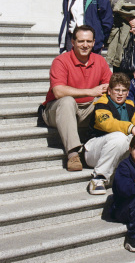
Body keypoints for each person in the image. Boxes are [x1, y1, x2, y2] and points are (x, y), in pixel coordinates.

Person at [42, 25, 112, 171]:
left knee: (105, 101)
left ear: (94, 43)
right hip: (56, 110)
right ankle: (73, 154)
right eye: (81, 41)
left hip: (85, 109)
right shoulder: (61, 61)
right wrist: (90, 91)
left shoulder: (99, 60)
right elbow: (59, 91)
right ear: (73, 42)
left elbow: (110, 85)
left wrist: (105, 89)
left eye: (88, 41)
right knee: (67, 101)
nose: (85, 45)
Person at [84, 72, 135, 194]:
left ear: (128, 92)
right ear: (109, 91)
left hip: (116, 149)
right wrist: (131, 128)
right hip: (94, 150)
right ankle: (99, 178)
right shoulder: (102, 103)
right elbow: (107, 123)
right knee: (119, 137)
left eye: (123, 90)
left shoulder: (129, 104)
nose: (120, 93)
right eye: (117, 90)